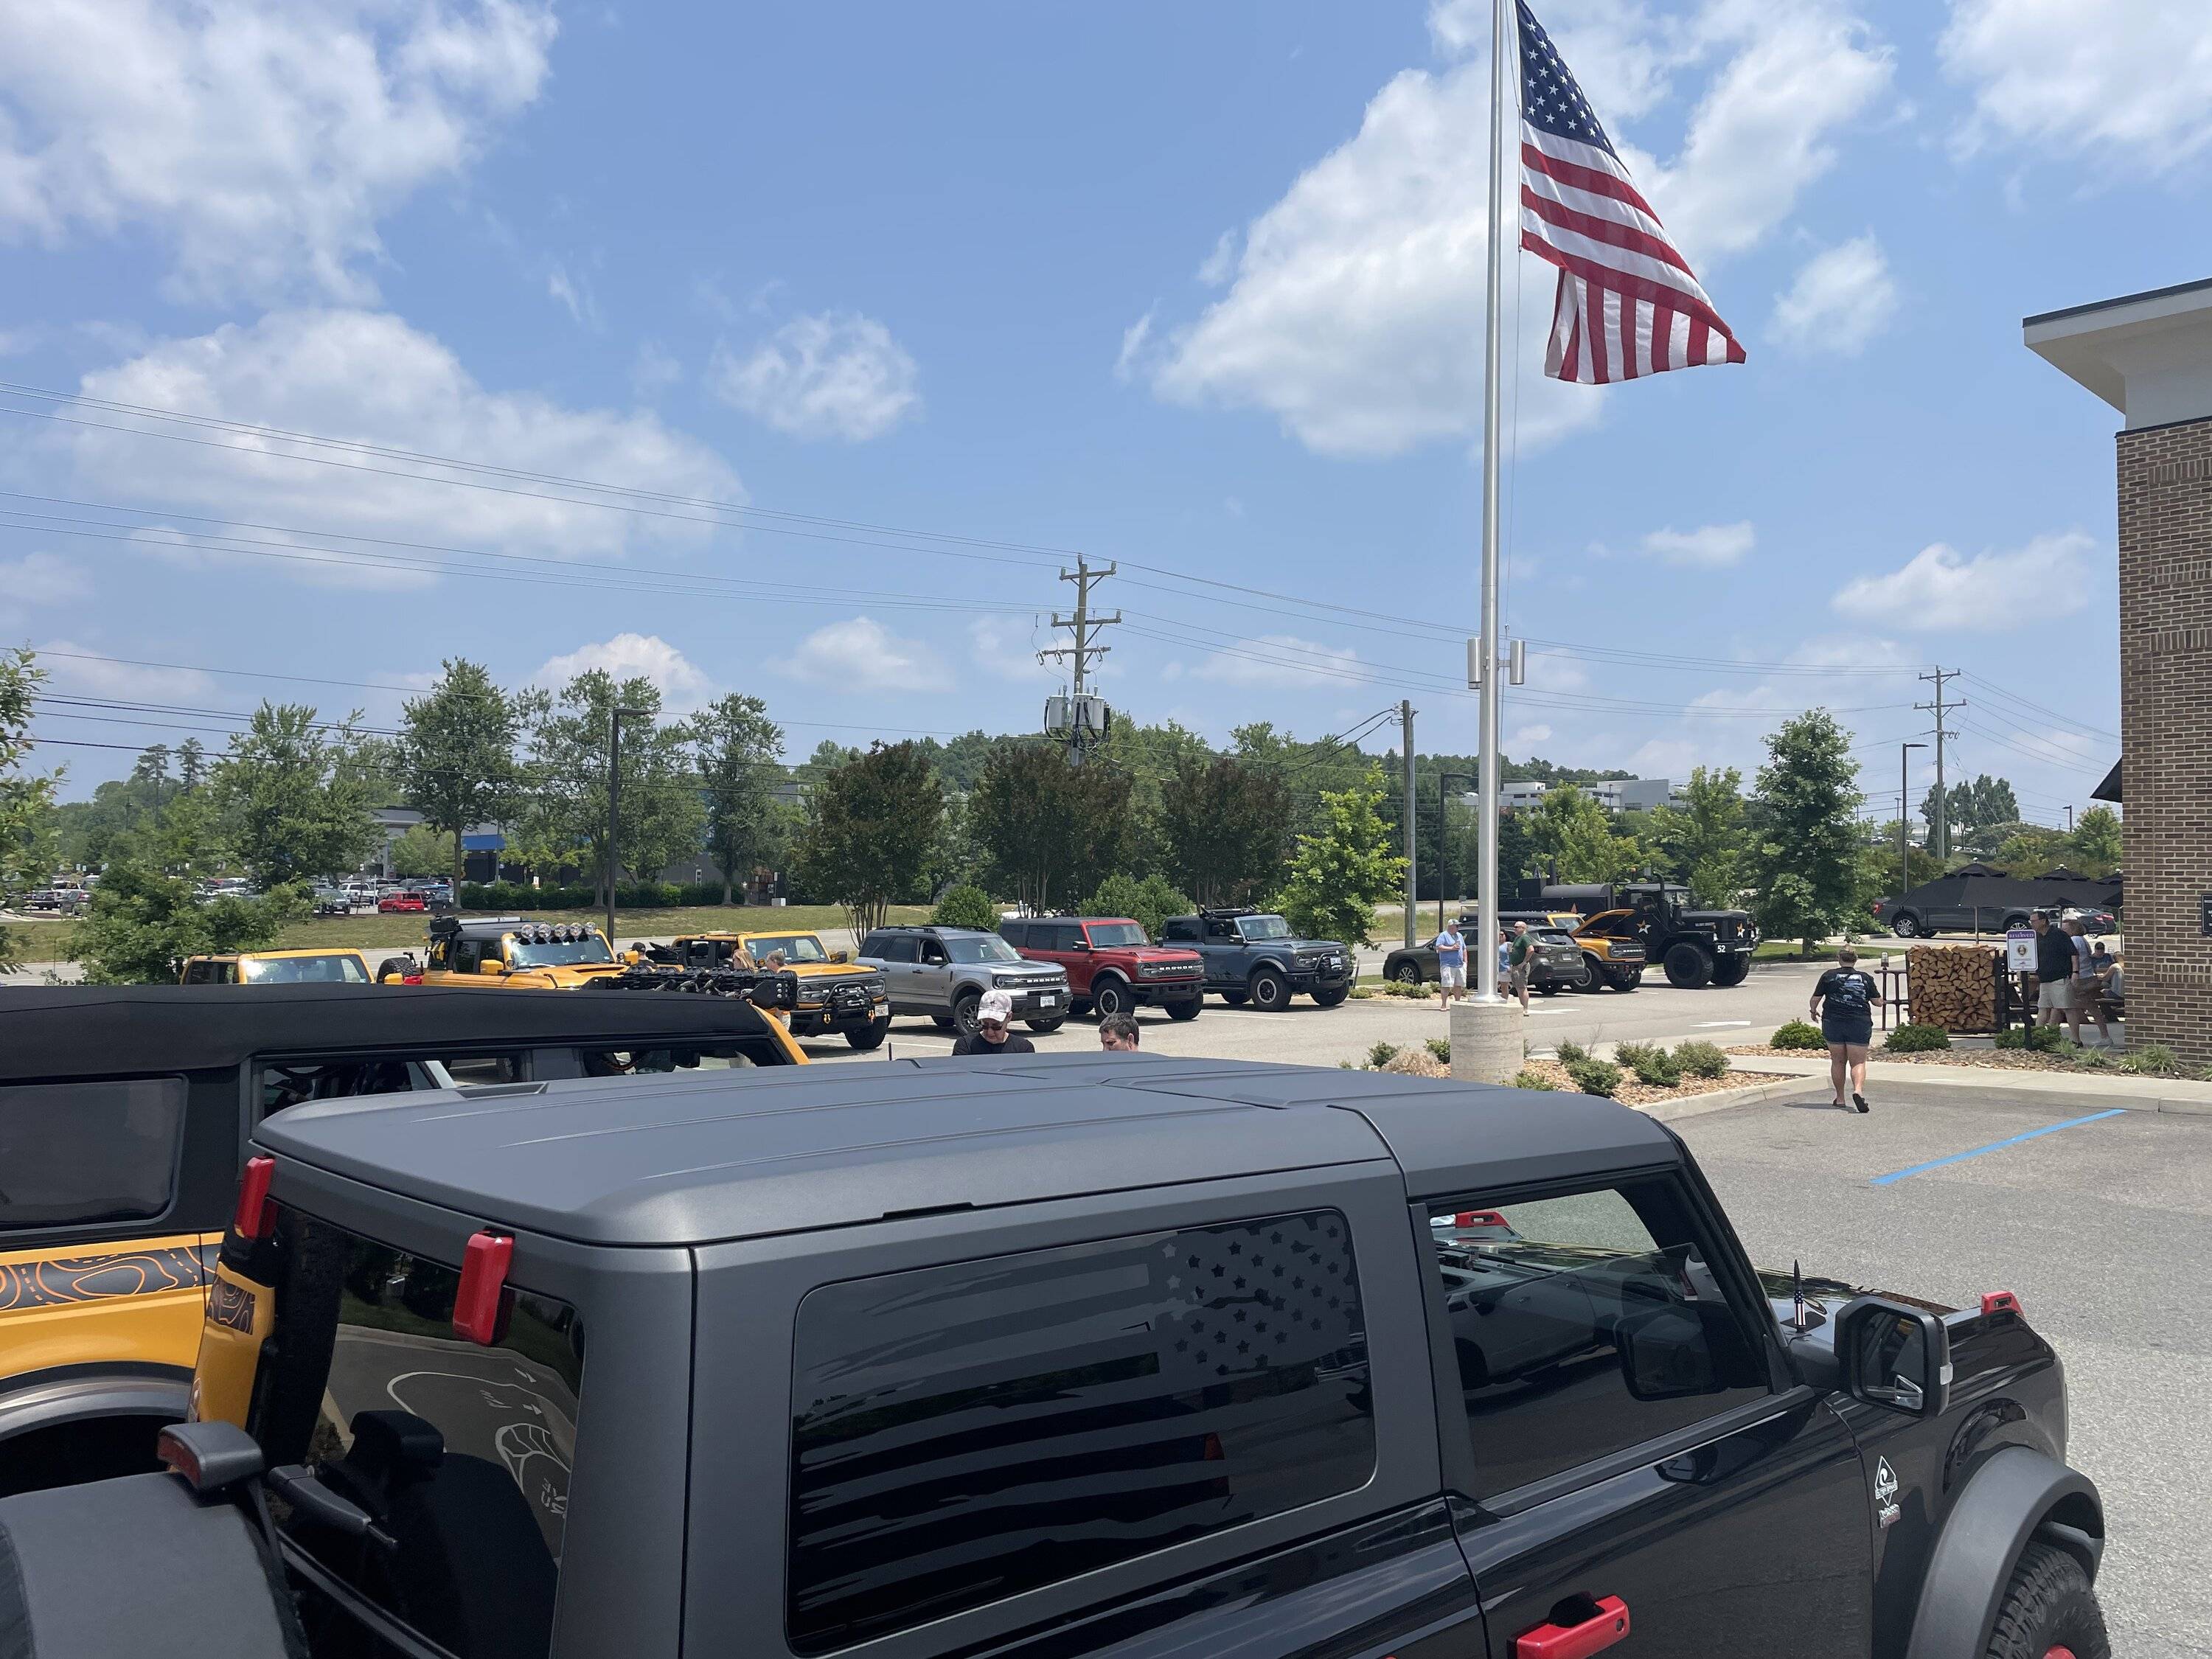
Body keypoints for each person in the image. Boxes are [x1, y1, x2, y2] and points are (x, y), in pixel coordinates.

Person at [1809, 945, 1880, 1113]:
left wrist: (1813, 1012)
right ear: (1855, 960)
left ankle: (1840, 1098)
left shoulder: (1828, 976)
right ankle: (1858, 1091)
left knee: (1838, 1061)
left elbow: (1815, 999)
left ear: (1839, 959)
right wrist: (1882, 1000)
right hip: (1859, 1022)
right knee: (1858, 1062)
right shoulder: (1865, 978)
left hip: (1833, 1021)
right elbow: (1877, 1002)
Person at [950, 988, 1035, 1056]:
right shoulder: (965, 1045)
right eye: (985, 1025)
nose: (990, 1032)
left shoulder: (1023, 1049)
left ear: (1009, 1017)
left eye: (996, 1026)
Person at [2031, 911, 2076, 1037]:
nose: (2031, 924)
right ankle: (2037, 1037)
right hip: (2044, 979)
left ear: (2043, 921)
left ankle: (2076, 1040)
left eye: (2034, 921)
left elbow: (2073, 954)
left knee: (2067, 1008)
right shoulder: (2036, 937)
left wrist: (2075, 973)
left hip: (2060, 977)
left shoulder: (2059, 935)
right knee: (2043, 1008)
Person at [1432, 918, 1467, 1010]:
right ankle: (1444, 1005)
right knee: (1446, 984)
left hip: (1459, 965)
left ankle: (1458, 1004)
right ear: (1451, 927)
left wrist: (1465, 962)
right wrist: (1451, 948)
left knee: (1458, 985)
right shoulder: (1443, 935)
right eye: (1457, 926)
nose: (1458, 928)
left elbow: (1464, 948)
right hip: (1447, 965)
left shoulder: (1459, 935)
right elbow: (1439, 947)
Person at [1506, 920, 1534, 1012]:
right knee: (1518, 988)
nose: (1515, 929)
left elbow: (1531, 949)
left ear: (1523, 928)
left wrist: (1524, 962)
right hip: (1515, 966)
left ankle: (1525, 1009)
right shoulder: (1518, 938)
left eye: (1517, 927)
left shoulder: (1525, 938)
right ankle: (1522, 1007)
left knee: (1522, 987)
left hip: (1521, 967)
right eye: (1515, 927)